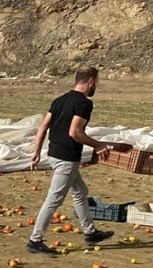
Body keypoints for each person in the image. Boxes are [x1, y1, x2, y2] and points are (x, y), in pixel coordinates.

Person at [27, 66, 131, 254]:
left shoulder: (59, 100)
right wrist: (98, 145)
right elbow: (75, 132)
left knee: (80, 191)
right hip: (66, 158)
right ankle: (35, 240)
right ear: (90, 81)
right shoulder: (84, 103)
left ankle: (90, 232)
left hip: (54, 154)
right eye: (96, 82)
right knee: (54, 199)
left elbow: (43, 127)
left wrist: (36, 152)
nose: (96, 86)